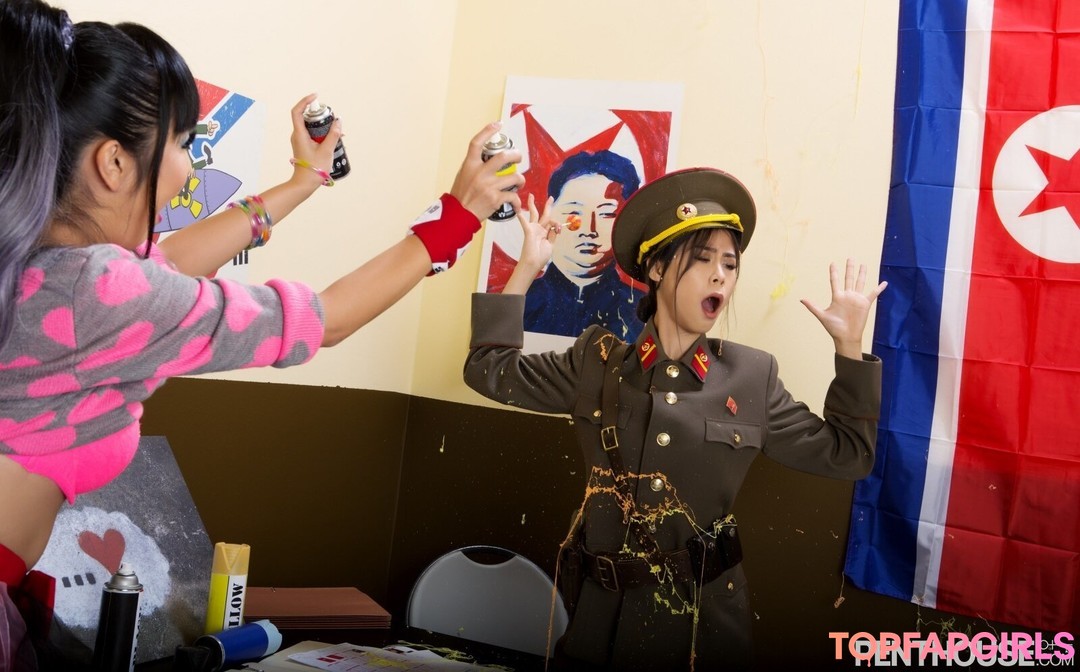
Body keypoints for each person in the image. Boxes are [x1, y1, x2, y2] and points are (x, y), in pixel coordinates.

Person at [0, 1, 522, 668]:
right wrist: (457, 217)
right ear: (113, 164)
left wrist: (305, 181)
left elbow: (173, 261)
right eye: (182, 144)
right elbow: (326, 319)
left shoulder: (37, 267)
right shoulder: (101, 292)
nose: (189, 171)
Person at [464, 168, 887, 670]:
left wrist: (849, 346)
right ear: (658, 268)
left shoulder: (751, 377)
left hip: (702, 632)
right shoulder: (595, 362)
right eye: (702, 259)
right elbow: (487, 370)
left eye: (730, 264)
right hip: (599, 626)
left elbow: (849, 456)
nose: (720, 275)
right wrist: (526, 268)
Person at [522, 150, 643, 341]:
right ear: (551, 213)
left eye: (606, 214)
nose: (589, 230)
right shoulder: (522, 303)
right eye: (574, 212)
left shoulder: (641, 313)